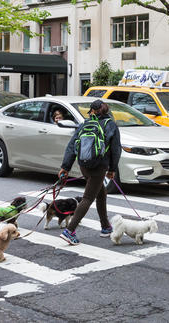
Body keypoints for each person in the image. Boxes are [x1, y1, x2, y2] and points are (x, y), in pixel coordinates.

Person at [57, 100, 120, 245]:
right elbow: (116, 150)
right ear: (106, 110)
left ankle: (105, 227)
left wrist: (65, 167)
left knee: (101, 192)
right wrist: (112, 169)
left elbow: (72, 145)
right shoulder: (110, 125)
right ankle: (69, 231)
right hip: (100, 166)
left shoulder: (85, 124)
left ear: (92, 111)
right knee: (87, 198)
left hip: (84, 165)